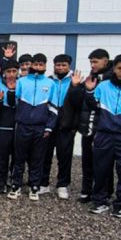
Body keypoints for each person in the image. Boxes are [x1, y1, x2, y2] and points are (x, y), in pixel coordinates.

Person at [81, 54, 121, 217]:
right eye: (119, 68)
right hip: (105, 135)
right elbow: (95, 108)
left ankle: (120, 205)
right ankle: (100, 201)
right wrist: (89, 92)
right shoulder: (103, 86)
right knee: (101, 170)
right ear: (114, 68)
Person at [11, 54, 58, 201]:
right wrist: (11, 91)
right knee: (19, 157)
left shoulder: (50, 84)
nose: (38, 67)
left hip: (40, 127)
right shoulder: (22, 81)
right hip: (23, 125)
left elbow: (54, 107)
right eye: (35, 64)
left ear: (45, 66)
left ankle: (34, 186)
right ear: (31, 65)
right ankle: (16, 185)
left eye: (41, 65)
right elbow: (15, 102)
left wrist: (49, 127)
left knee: (37, 158)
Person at [41, 54, 81, 200]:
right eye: (58, 65)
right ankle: (43, 183)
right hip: (49, 123)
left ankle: (62, 185)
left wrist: (76, 87)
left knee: (64, 156)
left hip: (66, 124)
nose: (60, 67)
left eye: (64, 65)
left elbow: (79, 104)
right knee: (45, 154)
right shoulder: (48, 80)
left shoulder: (75, 81)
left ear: (69, 66)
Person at [75, 48, 112, 203]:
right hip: (88, 125)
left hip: (105, 127)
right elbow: (80, 101)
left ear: (106, 61)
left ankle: (105, 192)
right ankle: (87, 190)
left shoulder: (111, 79)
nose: (93, 65)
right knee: (87, 159)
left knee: (104, 162)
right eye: (91, 62)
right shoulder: (91, 77)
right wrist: (76, 87)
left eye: (95, 61)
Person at [0, 61, 19, 196]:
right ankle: (1, 183)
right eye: (8, 71)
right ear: (4, 73)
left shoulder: (22, 85)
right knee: (2, 156)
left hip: (19, 126)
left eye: (14, 71)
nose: (11, 74)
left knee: (17, 157)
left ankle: (14, 180)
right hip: (4, 126)